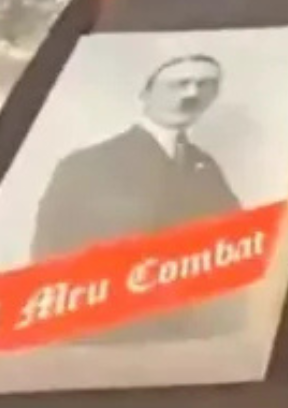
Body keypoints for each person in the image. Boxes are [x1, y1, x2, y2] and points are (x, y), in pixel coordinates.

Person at [30, 54, 247, 342]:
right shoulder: (88, 163)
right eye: (179, 84)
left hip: (193, 333)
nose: (192, 94)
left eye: (205, 85)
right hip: (108, 333)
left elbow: (237, 241)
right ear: (145, 94)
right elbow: (49, 250)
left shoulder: (204, 166)